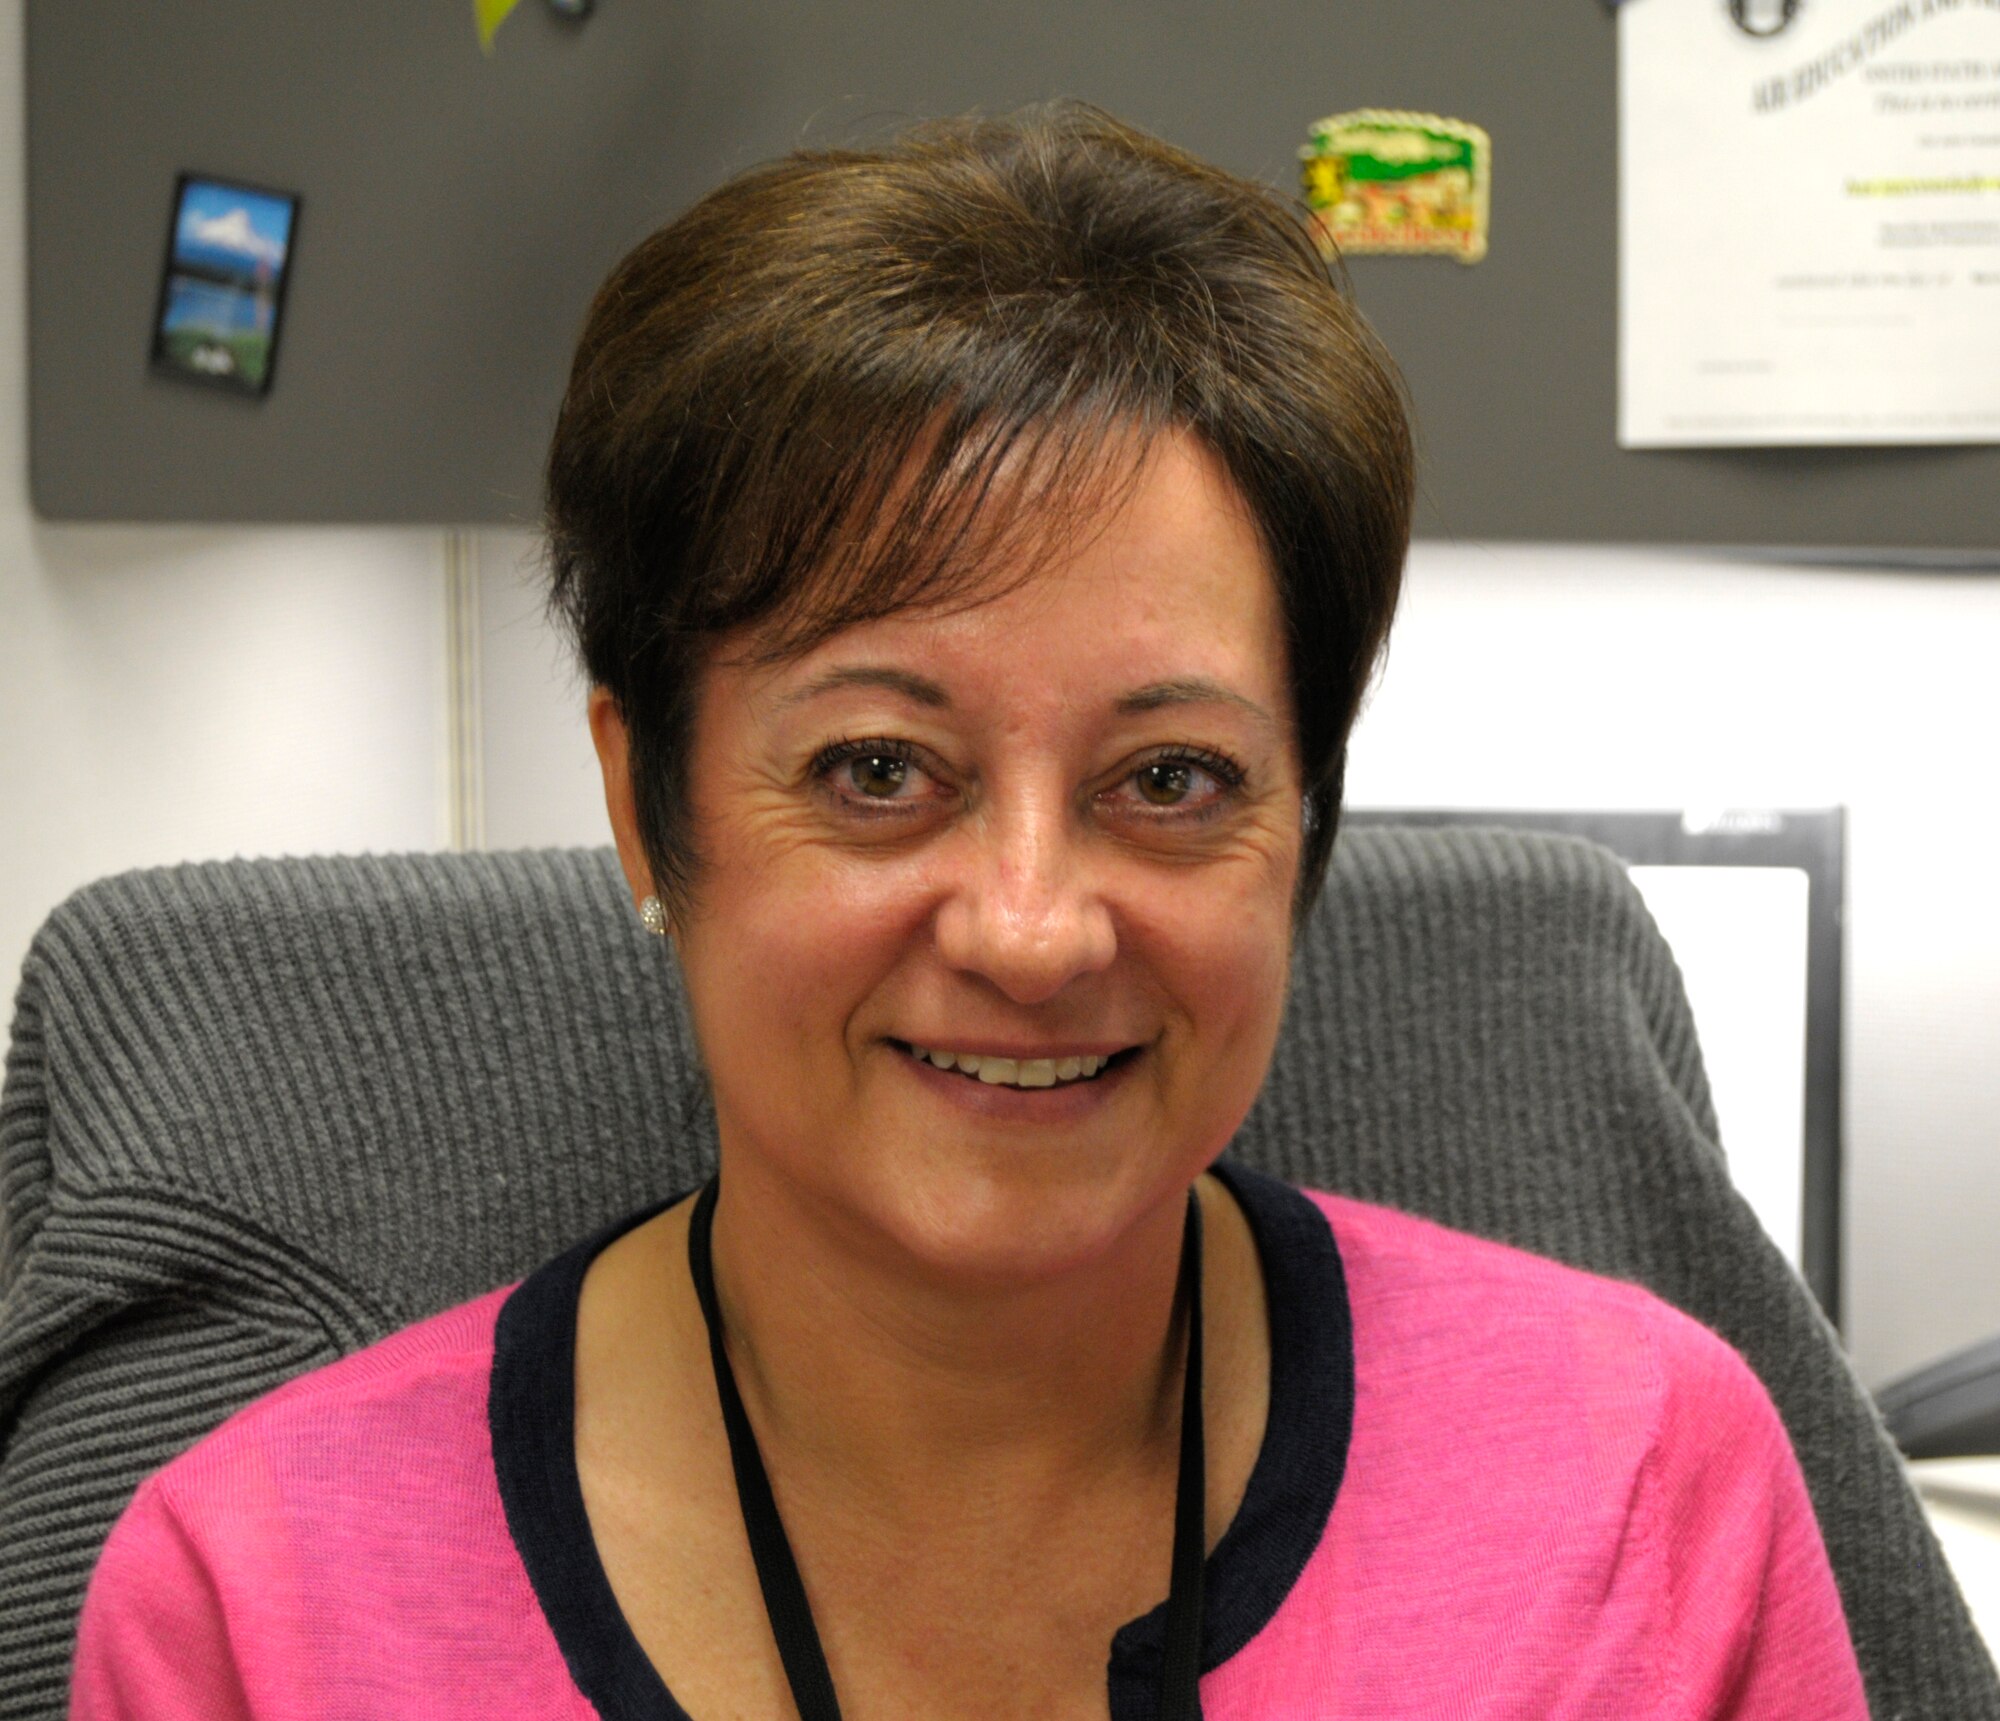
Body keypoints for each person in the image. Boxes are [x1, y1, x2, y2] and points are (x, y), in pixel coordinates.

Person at [68, 104, 1866, 1719]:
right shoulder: (257, 1609)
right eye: (874, 768)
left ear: (1308, 822)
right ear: (643, 799)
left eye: (1170, 780)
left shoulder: (1643, 1484)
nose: (1030, 929)